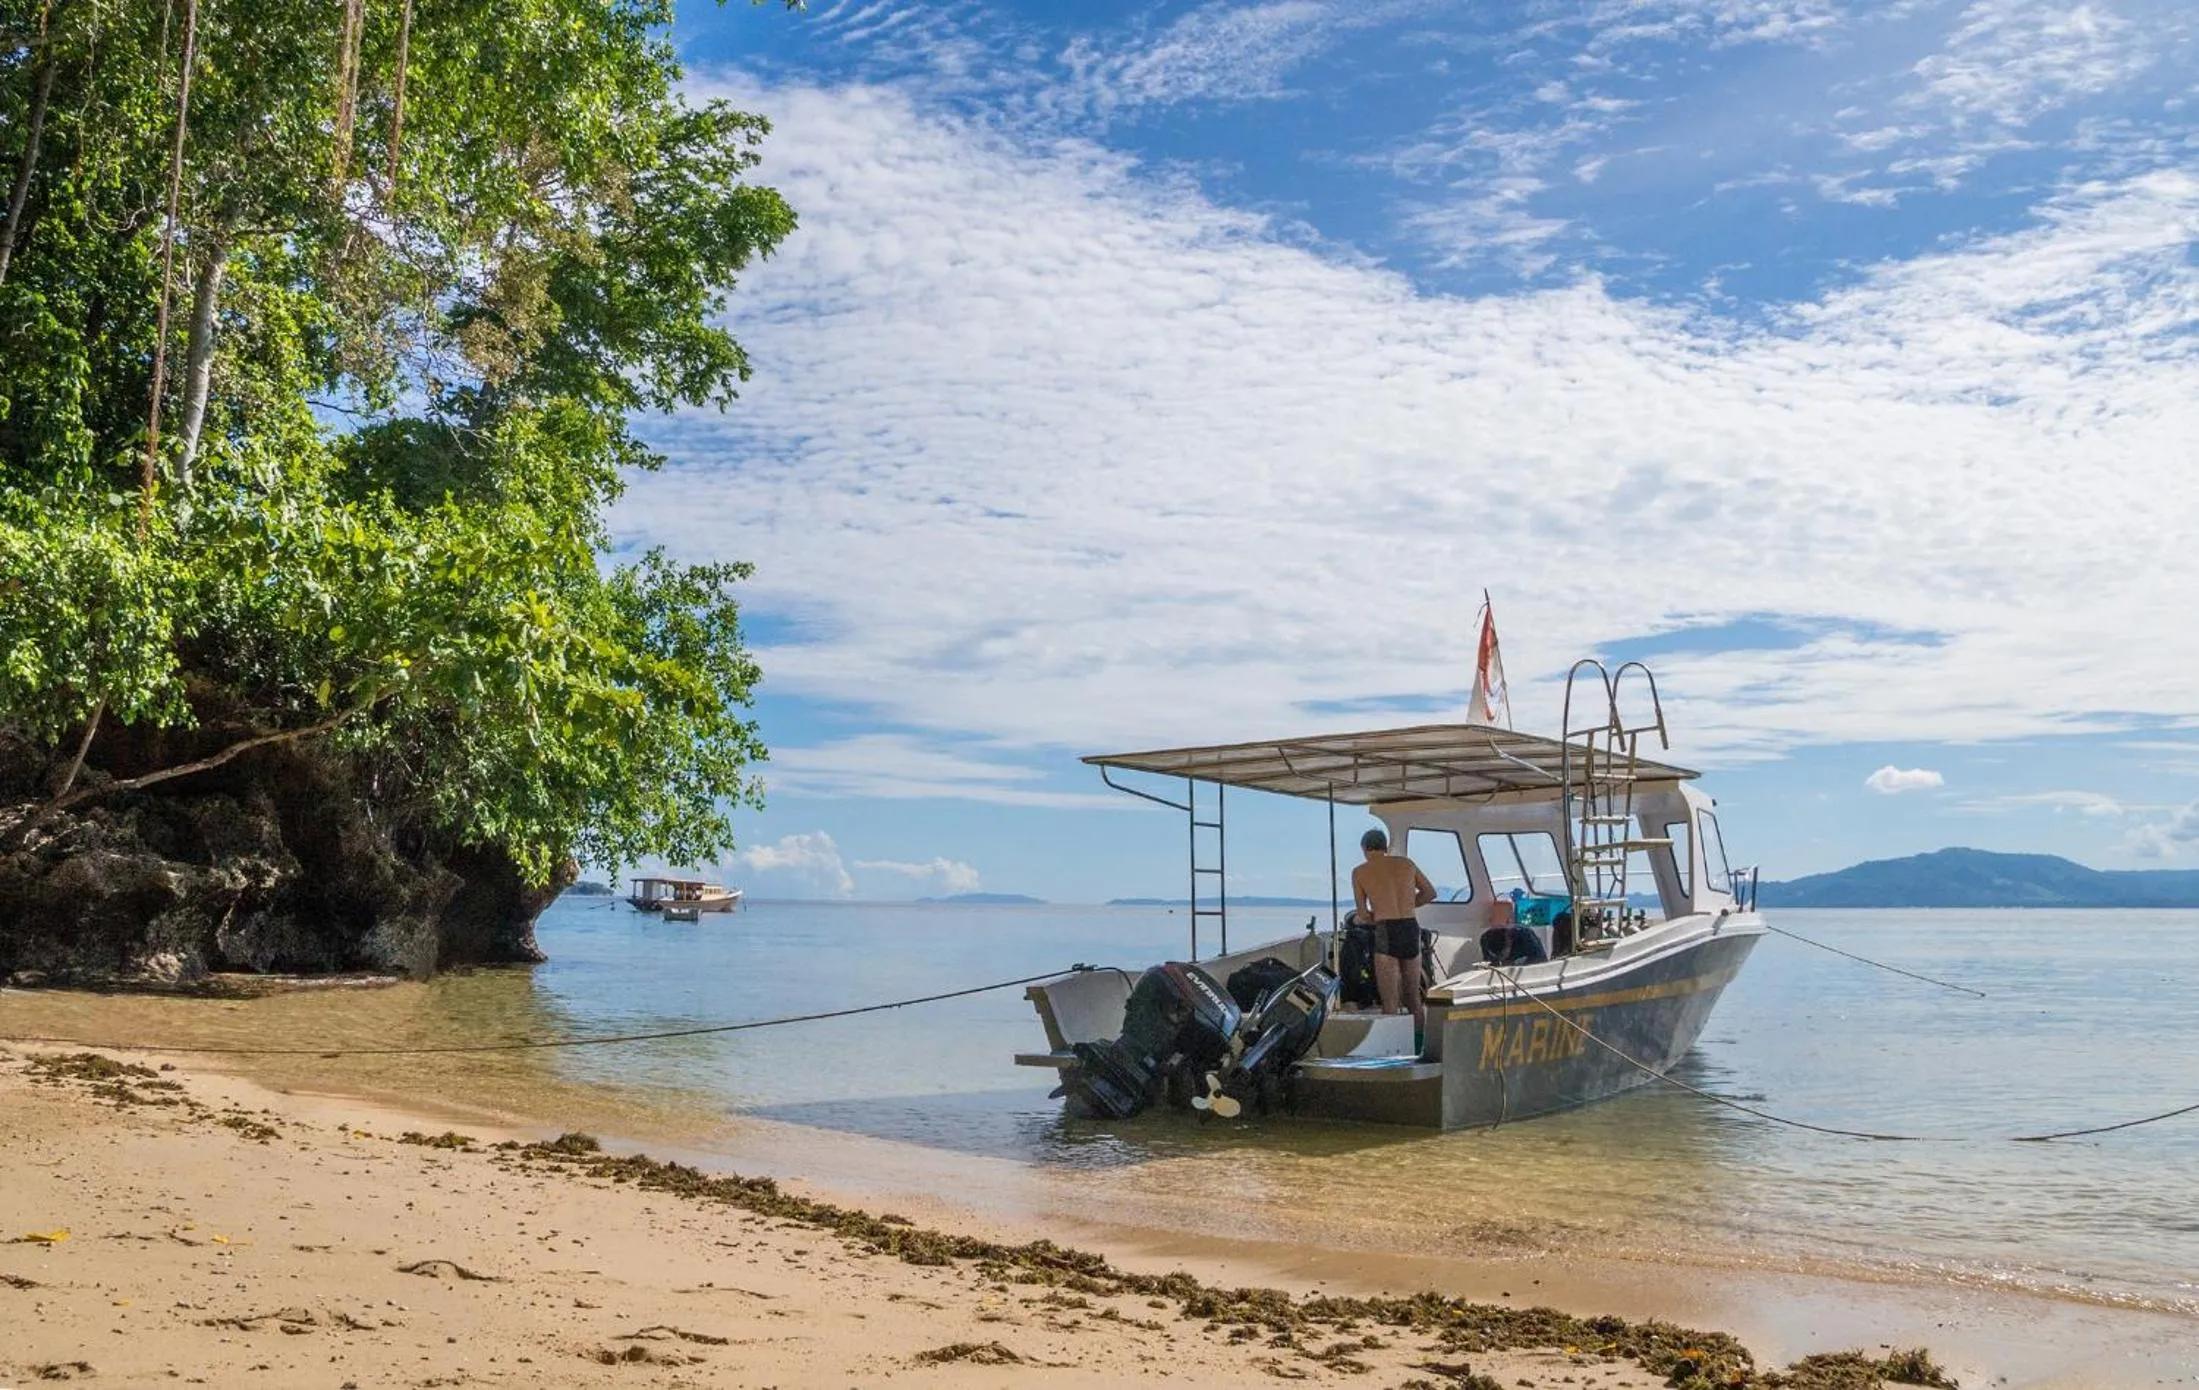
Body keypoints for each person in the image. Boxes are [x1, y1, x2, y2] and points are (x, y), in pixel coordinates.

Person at [1349, 827, 1436, 1027]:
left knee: (1390, 1002)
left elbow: (1363, 914)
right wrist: (1408, 905)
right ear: (1386, 847)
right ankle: (1419, 1042)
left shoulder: (1360, 872)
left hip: (1386, 930)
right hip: (1410, 926)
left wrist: (1378, 916)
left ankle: (1395, 1044)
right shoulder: (1407, 864)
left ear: (1364, 848)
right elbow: (1430, 893)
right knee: (1413, 998)